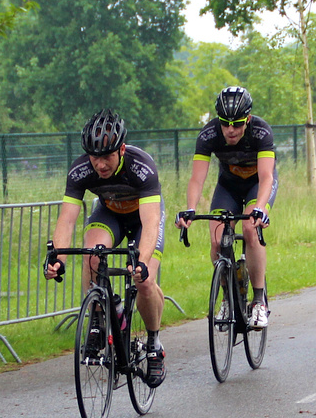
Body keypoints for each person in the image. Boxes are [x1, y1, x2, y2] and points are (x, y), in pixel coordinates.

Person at [43, 109, 167, 388]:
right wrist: (58, 259)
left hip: (142, 219)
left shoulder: (141, 166)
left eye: (107, 156)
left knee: (144, 281)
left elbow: (150, 223)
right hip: (109, 214)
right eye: (94, 157)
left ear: (121, 149)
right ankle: (103, 313)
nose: (99, 164)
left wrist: (143, 262)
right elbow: (67, 219)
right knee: (92, 256)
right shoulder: (80, 170)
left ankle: (153, 343)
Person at [175, 86, 275, 329]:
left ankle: (259, 301)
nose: (231, 130)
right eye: (225, 123)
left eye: (238, 124)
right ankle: (227, 297)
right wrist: (190, 208)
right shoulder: (209, 134)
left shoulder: (261, 132)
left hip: (256, 186)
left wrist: (260, 208)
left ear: (247, 119)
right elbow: (197, 179)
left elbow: (266, 177)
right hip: (228, 186)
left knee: (251, 229)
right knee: (218, 241)